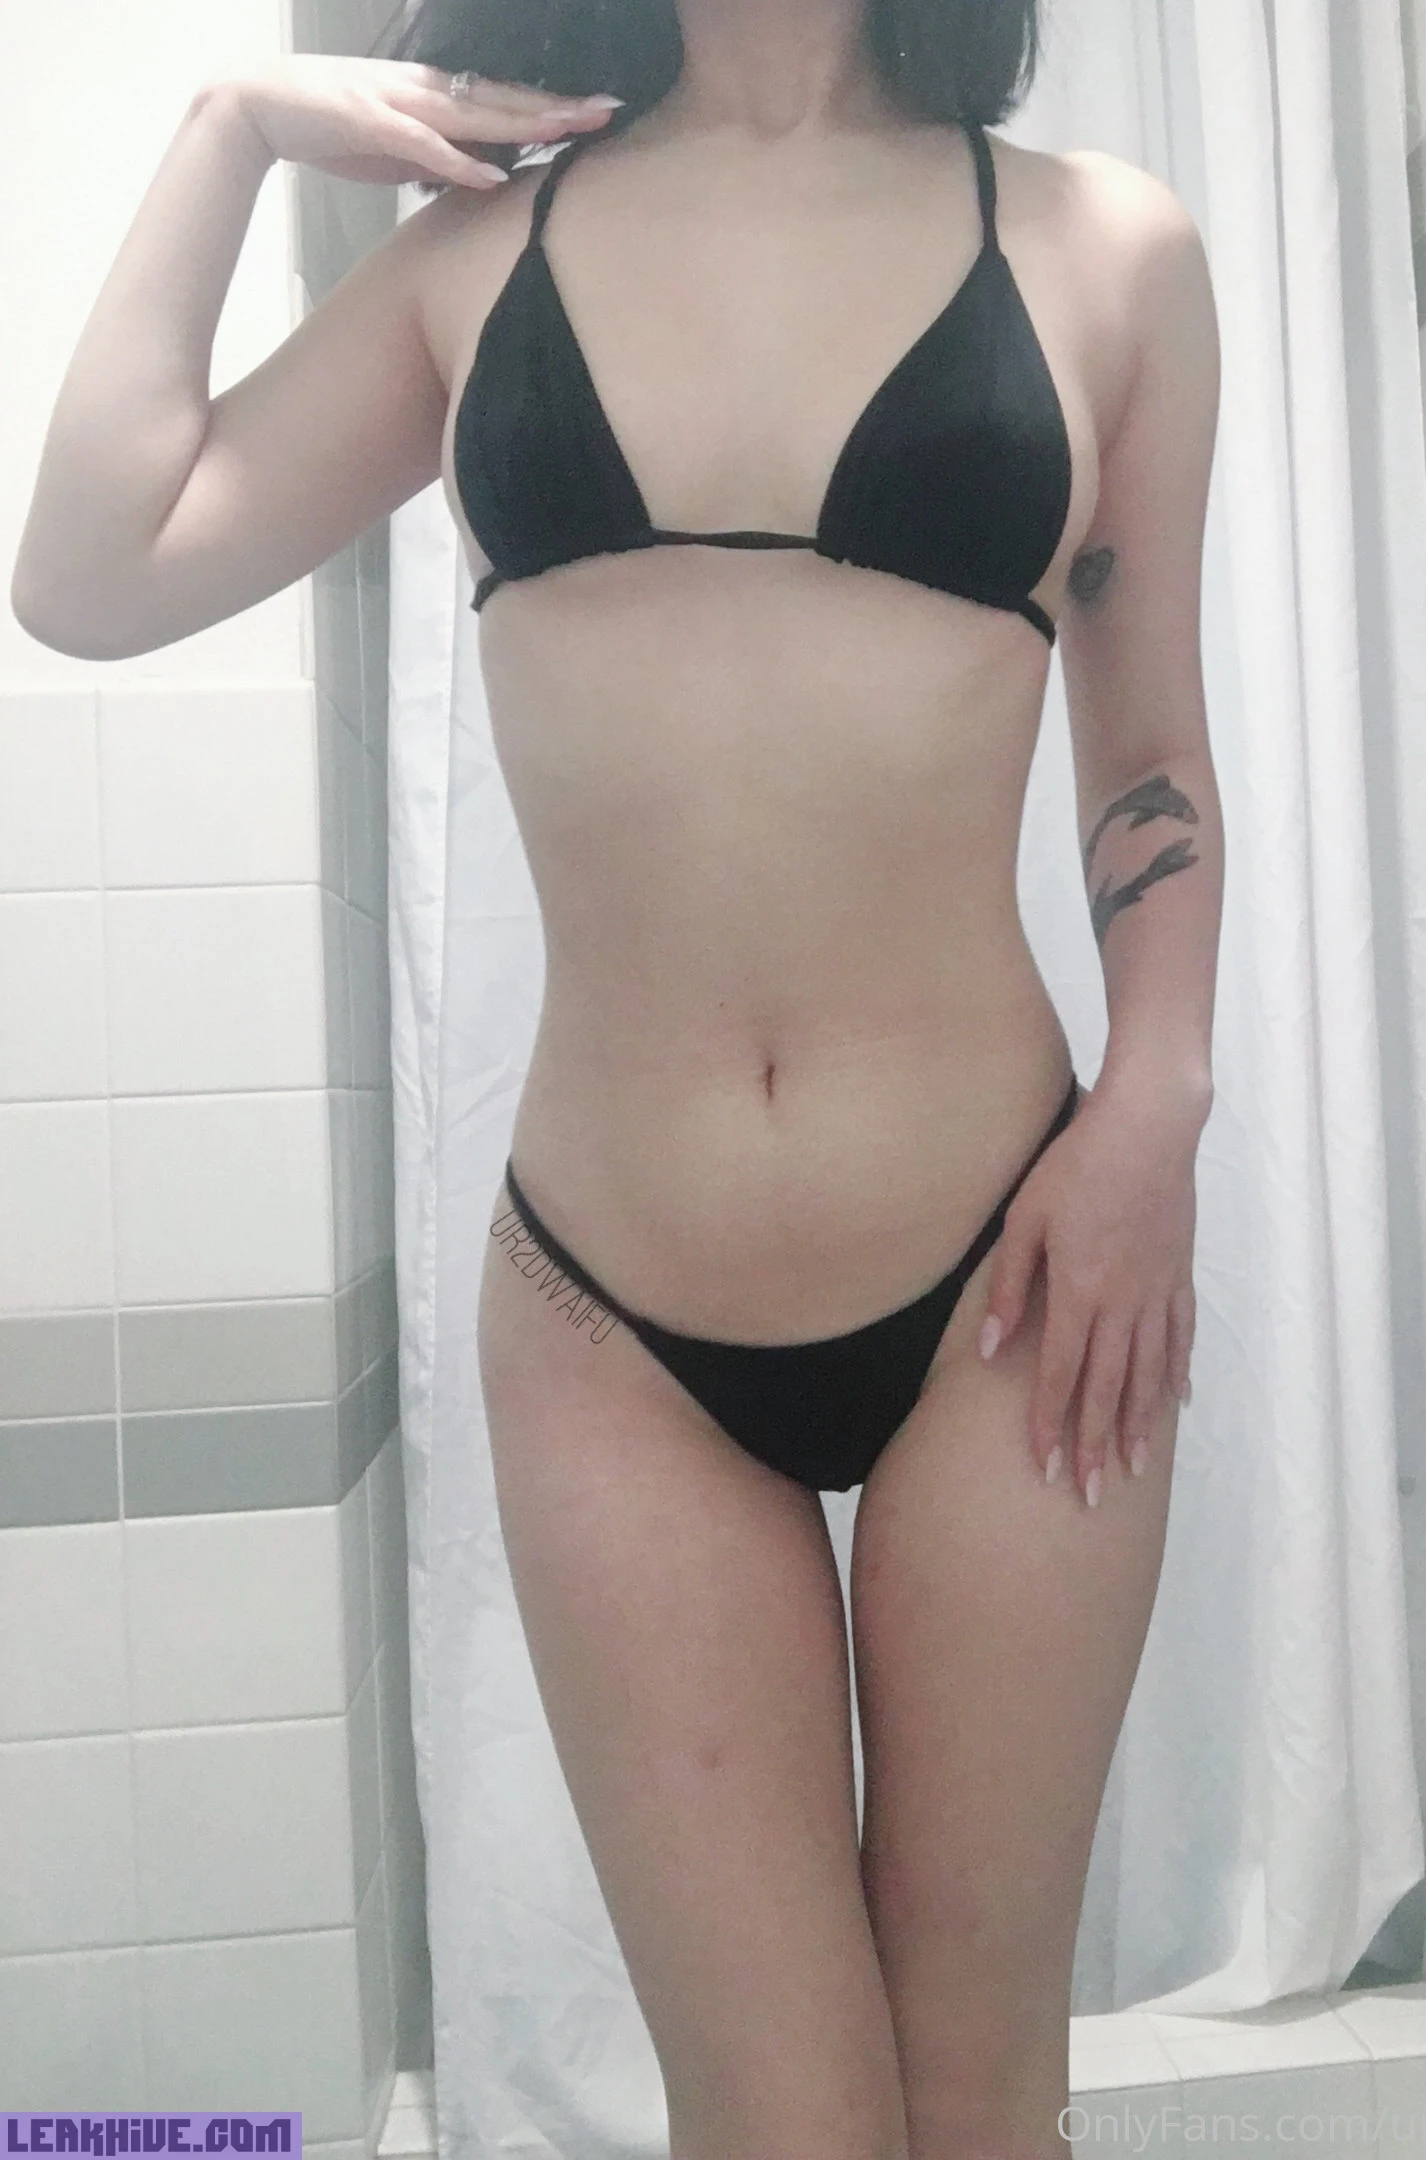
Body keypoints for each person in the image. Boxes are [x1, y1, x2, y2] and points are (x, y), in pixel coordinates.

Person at [12, 2, 1222, 2152]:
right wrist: (229, 125)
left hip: (1011, 1283)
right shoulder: (480, 261)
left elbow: (1149, 750)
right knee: (774, 2119)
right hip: (612, 1323)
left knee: (982, 2100)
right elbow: (93, 576)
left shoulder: (1104, 245)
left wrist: (1161, 1106)